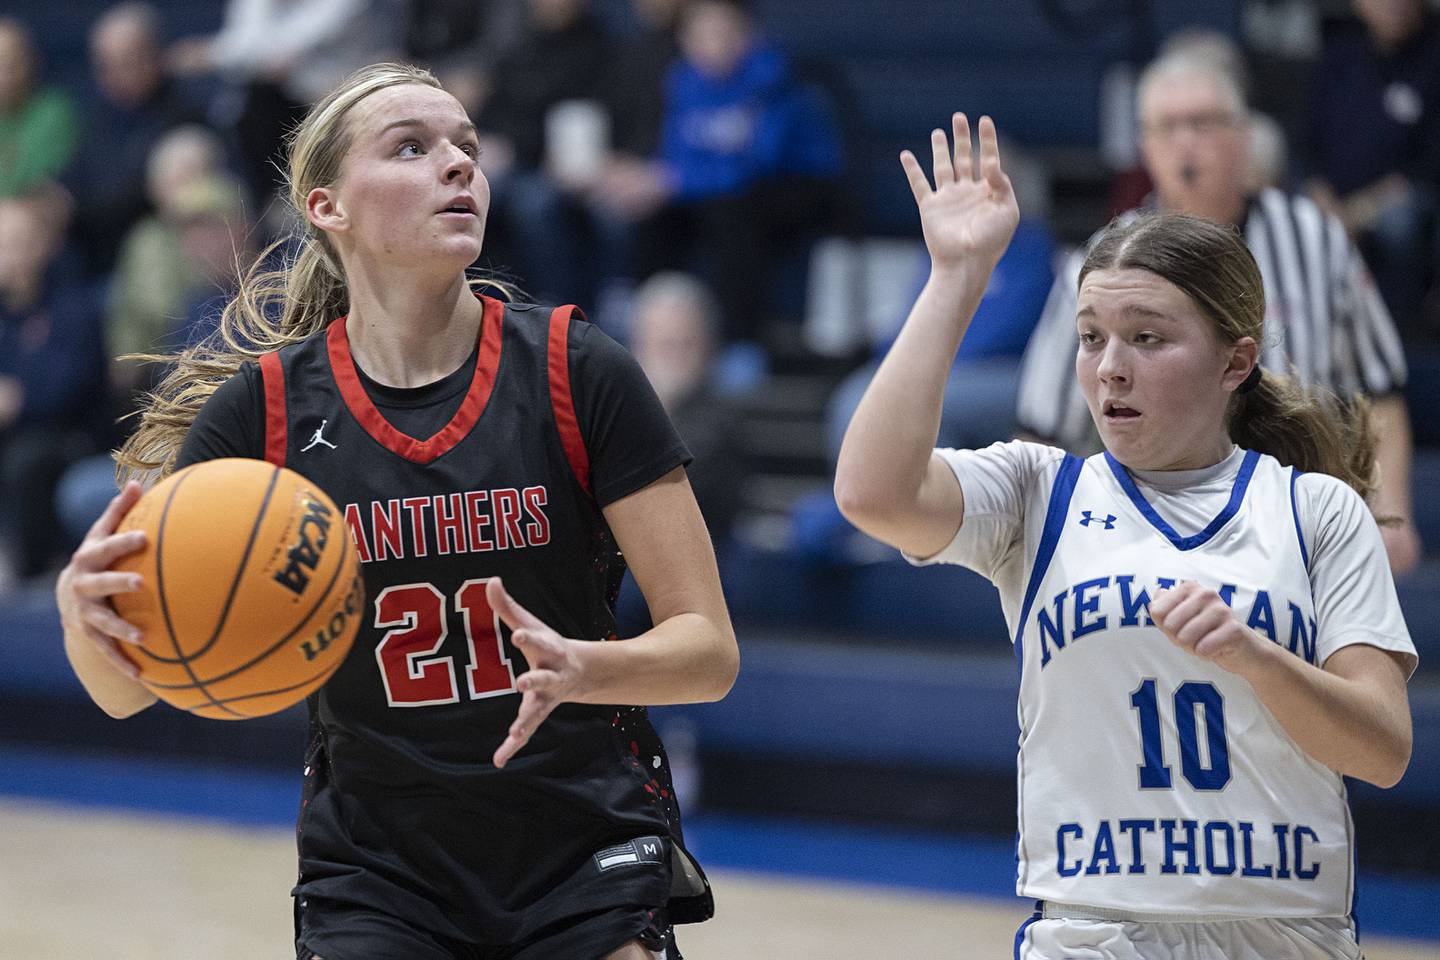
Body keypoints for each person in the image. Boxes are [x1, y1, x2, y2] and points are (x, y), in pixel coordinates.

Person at [55, 62, 737, 960]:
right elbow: (124, 692)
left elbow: (709, 652)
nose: (457, 165)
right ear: (327, 207)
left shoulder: (577, 368)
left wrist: (585, 667)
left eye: (467, 147)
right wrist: (84, 616)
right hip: (379, 868)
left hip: (584, 838)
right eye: (412, 148)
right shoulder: (261, 417)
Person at [835, 113, 1416, 959]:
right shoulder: (1042, 489)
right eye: (1092, 338)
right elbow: (870, 492)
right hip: (1090, 935)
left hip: (1287, 936)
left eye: (1147, 339)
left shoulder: (1316, 511)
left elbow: (1384, 747)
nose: (1110, 367)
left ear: (1235, 361)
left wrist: (1257, 658)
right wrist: (957, 278)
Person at [1015, 51, 1424, 577]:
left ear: (1244, 136)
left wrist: (1391, 516)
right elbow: (1041, 425)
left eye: (1203, 123)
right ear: (1145, 148)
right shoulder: (1102, 258)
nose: (1186, 142)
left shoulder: (1315, 239)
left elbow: (1380, 392)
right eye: (1168, 127)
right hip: (1148, 533)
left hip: (1299, 525)